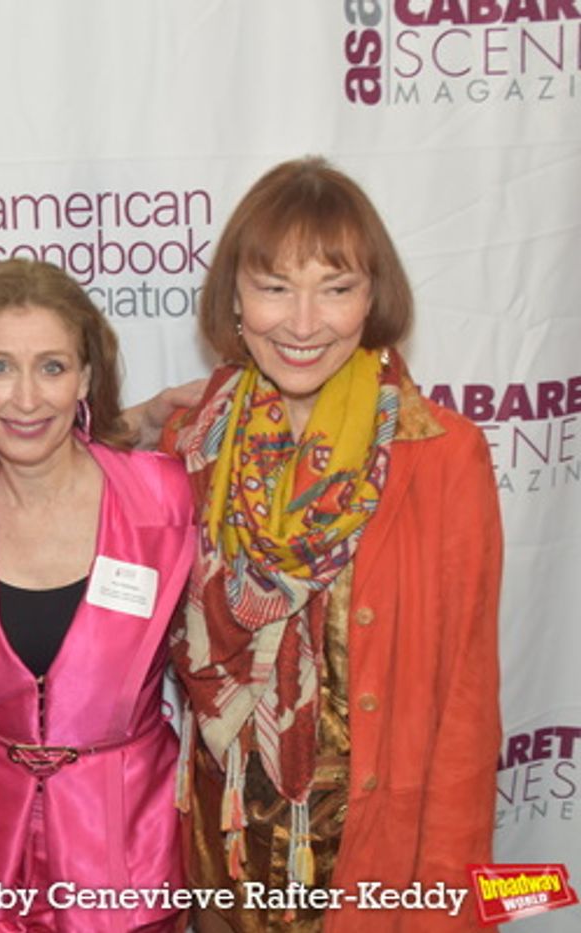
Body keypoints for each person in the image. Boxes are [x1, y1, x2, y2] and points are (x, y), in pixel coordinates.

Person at [163, 157, 502, 931]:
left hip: (371, 861)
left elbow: (466, 706)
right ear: (235, 300)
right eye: (275, 286)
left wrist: (448, 903)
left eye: (336, 287)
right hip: (227, 855)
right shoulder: (195, 441)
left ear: (373, 298)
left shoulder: (441, 454)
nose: (304, 322)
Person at [0, 259, 195, 931]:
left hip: (130, 853)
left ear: (86, 378)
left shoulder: (166, 495)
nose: (26, 398)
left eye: (51, 367)